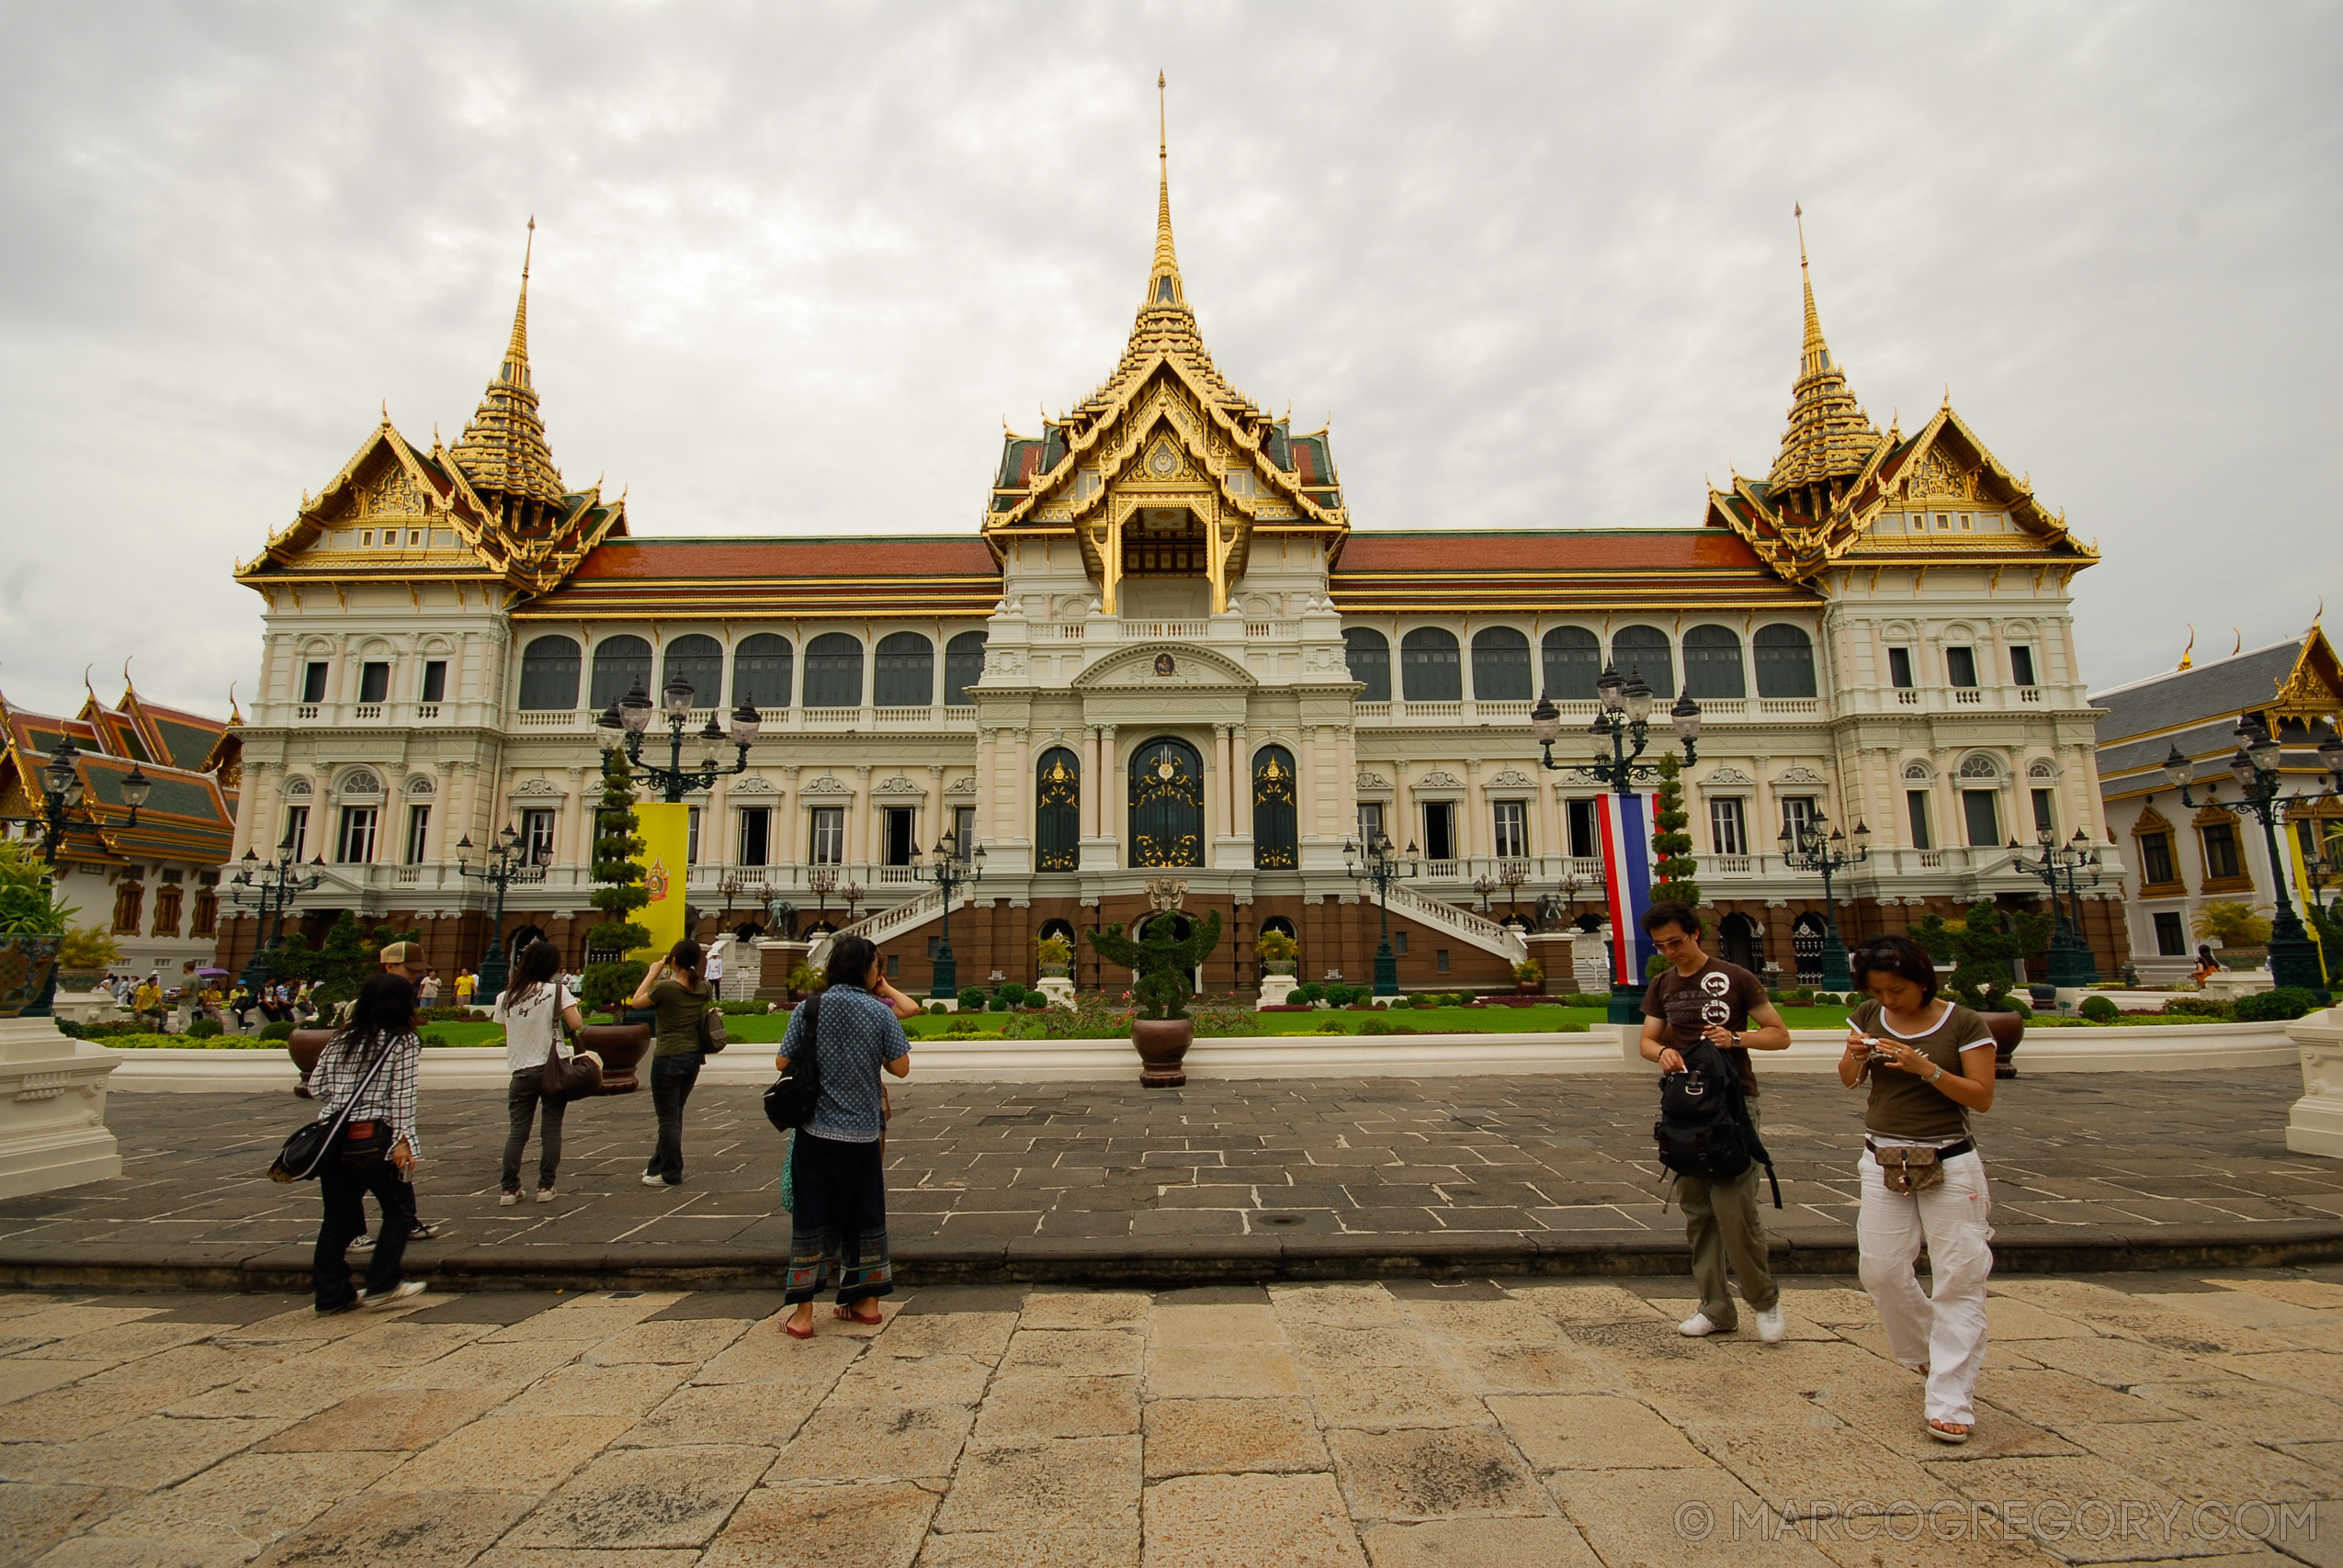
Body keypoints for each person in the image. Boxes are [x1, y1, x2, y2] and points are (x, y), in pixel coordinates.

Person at [1840, 935, 1998, 1444]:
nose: (1888, 1000)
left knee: (1959, 1274)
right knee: (1881, 1269)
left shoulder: (1964, 1023)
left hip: (1948, 1159)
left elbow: (1981, 1097)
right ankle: (1934, 1352)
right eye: (1878, 991)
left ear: (1924, 978)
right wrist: (1854, 1054)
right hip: (1883, 1156)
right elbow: (1848, 1080)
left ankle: (1950, 1396)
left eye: (1898, 990)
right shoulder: (1869, 1013)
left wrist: (1925, 1067)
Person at [1638, 900, 1794, 1343]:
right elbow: (1649, 1041)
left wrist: (1737, 1037)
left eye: (1676, 942)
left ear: (1695, 934)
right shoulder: (1663, 984)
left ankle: (1763, 1300)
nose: (1670, 951)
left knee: (1735, 1208)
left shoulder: (1736, 978)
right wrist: (1663, 1053)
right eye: (1661, 945)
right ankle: (1715, 1307)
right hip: (1686, 1106)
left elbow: (1780, 1035)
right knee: (1698, 1210)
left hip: (1733, 1102)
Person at [778, 934, 912, 1337]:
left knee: (811, 1217)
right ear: (867, 970)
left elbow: (783, 1060)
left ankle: (803, 1316)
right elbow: (901, 1068)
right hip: (863, 1134)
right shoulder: (879, 1012)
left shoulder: (809, 1008)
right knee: (865, 1214)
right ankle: (867, 1304)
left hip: (816, 1130)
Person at [309, 973, 428, 1314]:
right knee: (400, 1210)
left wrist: (345, 1097)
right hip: (373, 1137)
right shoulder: (403, 1041)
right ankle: (383, 1283)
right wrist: (404, 1140)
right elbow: (403, 1094)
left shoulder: (342, 1038)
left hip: (334, 1137)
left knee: (336, 1219)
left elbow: (317, 1087)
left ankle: (332, 1294)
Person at [491, 941, 587, 1205]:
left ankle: (509, 1189)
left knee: (517, 1132)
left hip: (521, 1069)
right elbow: (576, 1024)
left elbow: (509, 1033)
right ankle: (545, 1187)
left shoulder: (506, 996)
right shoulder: (557, 991)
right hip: (552, 1068)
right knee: (551, 1128)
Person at [632, 941, 718, 1186]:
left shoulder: (666, 989)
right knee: (674, 1113)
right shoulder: (703, 988)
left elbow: (636, 1001)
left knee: (668, 1117)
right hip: (692, 1057)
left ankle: (671, 1172)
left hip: (668, 1057)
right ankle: (656, 1165)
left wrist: (652, 973)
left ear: (673, 961)